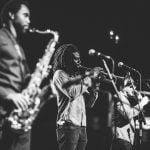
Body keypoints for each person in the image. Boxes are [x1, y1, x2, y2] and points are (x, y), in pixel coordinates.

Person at [51, 43, 101, 150]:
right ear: (66, 60)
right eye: (75, 59)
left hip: (81, 125)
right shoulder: (60, 74)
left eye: (79, 59)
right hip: (68, 125)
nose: (79, 61)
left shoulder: (77, 77)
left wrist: (95, 89)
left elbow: (89, 104)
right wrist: (89, 77)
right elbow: (72, 93)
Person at [0, 0, 31, 149]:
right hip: (3, 113)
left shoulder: (18, 46)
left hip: (20, 116)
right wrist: (8, 94)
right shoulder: (0, 38)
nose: (29, 20)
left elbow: (25, 77)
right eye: (25, 15)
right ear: (11, 15)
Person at [111, 75, 149, 150]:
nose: (134, 89)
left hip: (126, 138)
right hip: (121, 138)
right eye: (131, 87)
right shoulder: (119, 96)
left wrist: (139, 101)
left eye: (134, 87)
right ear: (122, 87)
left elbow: (131, 113)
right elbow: (128, 114)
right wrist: (141, 104)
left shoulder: (125, 98)